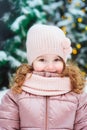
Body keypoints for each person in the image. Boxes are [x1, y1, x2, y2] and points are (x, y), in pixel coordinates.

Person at [0, 24, 87, 130]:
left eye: (57, 59)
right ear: (32, 61)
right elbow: (6, 126)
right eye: (42, 60)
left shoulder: (77, 94)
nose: (50, 66)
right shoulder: (16, 94)